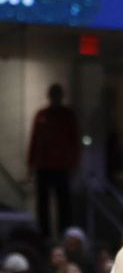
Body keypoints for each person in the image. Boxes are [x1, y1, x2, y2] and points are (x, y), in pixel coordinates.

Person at [27, 83, 80, 238]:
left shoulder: (67, 115)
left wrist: (73, 165)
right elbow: (34, 140)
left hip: (61, 166)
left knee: (64, 203)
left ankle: (64, 234)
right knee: (42, 204)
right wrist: (31, 164)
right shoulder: (41, 115)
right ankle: (44, 235)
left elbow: (74, 142)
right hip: (43, 166)